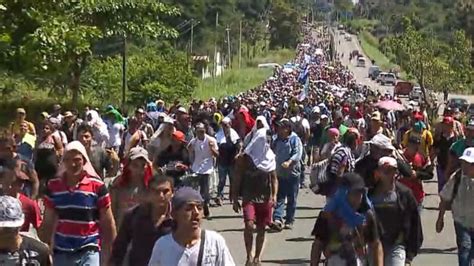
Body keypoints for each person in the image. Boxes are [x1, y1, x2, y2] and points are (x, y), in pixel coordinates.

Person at [39, 141, 117, 265]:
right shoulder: (53, 187)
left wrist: (113, 252)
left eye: (77, 159)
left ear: (84, 161)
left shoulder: (97, 187)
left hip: (89, 250)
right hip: (62, 252)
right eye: (68, 160)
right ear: (63, 162)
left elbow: (107, 221)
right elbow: (48, 221)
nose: (72, 164)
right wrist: (43, 248)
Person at [148, 187, 235, 266]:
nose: (196, 212)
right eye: (189, 208)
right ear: (174, 214)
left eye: (199, 208)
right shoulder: (163, 245)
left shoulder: (214, 241)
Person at [310, 173, 383, 266]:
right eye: (354, 193)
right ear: (343, 193)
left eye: (360, 193)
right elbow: (318, 244)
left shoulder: (367, 215)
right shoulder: (328, 215)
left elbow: (376, 244)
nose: (358, 197)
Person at [232, 127, 278, 265]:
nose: (267, 143)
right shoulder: (245, 158)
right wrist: (234, 197)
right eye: (265, 140)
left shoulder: (270, 157)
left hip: (264, 197)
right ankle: (249, 256)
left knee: (262, 228)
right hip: (249, 196)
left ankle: (257, 257)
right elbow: (237, 177)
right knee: (249, 225)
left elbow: (274, 178)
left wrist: (274, 196)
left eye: (269, 141)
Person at [369, 157, 423, 266]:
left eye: (392, 171)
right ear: (378, 173)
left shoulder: (405, 194)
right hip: (374, 244)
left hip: (397, 244)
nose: (389, 174)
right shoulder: (369, 194)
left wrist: (410, 255)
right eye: (385, 171)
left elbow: (415, 224)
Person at [111, 175, 175, 266]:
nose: (161, 196)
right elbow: (119, 249)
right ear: (148, 193)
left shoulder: (178, 218)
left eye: (165, 191)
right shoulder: (133, 216)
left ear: (173, 193)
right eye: (155, 191)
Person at [437, 147, 474, 266]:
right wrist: (440, 218)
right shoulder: (457, 177)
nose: (464, 166)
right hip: (461, 221)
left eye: (468, 164)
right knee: (464, 249)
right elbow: (445, 197)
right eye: (463, 162)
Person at [270, 118, 303, 231]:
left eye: (281, 127)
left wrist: (289, 162)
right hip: (279, 172)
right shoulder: (276, 139)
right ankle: (277, 219)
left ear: (287, 128)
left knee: (292, 198)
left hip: (292, 173)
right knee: (279, 196)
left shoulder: (294, 139)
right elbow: (271, 151)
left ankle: (289, 219)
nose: (278, 129)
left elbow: (297, 154)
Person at [0, 195, 51, 265]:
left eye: (9, 229)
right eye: (1, 230)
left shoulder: (38, 251)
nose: (4, 234)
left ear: (19, 227)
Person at [110, 147, 153, 225]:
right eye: (135, 165)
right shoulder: (117, 185)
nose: (139, 169)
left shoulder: (150, 187)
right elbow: (111, 212)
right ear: (128, 165)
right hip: (121, 231)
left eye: (143, 165)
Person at [0, 158, 42, 233]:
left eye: (20, 181)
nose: (10, 186)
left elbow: (41, 231)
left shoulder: (30, 204)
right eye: (9, 181)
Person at [188, 122, 219, 218]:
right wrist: (191, 162)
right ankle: (198, 208)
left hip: (207, 169)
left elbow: (217, 154)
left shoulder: (211, 140)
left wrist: (212, 148)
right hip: (196, 168)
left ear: (205, 130)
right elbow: (190, 153)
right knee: (195, 190)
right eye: (198, 131)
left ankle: (206, 205)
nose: (200, 133)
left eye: (202, 131)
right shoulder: (193, 142)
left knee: (205, 191)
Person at [215, 117, 242, 205]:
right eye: (223, 125)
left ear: (230, 124)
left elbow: (239, 145)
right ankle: (220, 196)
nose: (225, 126)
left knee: (232, 180)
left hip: (232, 161)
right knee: (222, 180)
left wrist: (238, 153)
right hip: (222, 161)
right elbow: (216, 147)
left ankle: (233, 197)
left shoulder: (234, 134)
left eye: (226, 125)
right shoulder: (218, 135)